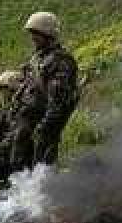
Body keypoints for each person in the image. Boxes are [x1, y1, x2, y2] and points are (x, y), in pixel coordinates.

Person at [11, 12, 79, 170]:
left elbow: (58, 103)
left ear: (48, 34)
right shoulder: (37, 58)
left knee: (41, 171)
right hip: (27, 124)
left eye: (36, 33)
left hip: (43, 127)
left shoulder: (61, 61)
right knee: (19, 168)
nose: (32, 37)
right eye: (31, 33)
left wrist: (43, 128)